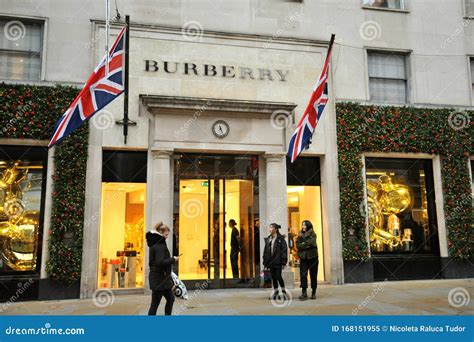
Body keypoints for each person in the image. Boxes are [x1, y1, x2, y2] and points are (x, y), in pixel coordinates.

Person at [146, 222, 179, 315]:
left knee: (170, 299)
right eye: (166, 234)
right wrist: (173, 259)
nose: (167, 236)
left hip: (162, 279)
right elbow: (160, 262)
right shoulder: (160, 246)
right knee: (155, 304)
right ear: (160, 232)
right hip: (159, 280)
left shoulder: (156, 243)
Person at [263, 223, 288, 300]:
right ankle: (276, 293)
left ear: (275, 229)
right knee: (273, 278)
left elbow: (284, 251)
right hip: (271, 262)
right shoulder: (269, 239)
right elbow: (266, 251)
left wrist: (284, 262)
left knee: (278, 276)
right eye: (269, 227)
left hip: (278, 261)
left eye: (271, 228)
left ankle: (284, 293)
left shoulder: (281, 239)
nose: (270, 229)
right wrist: (265, 261)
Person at [296, 220, 318, 300]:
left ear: (308, 226)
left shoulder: (313, 234)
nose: (303, 226)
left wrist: (303, 244)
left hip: (313, 257)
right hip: (303, 258)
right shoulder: (300, 234)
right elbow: (298, 245)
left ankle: (313, 292)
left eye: (304, 225)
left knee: (313, 275)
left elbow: (311, 243)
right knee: (303, 275)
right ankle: (304, 292)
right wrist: (304, 245)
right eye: (302, 225)